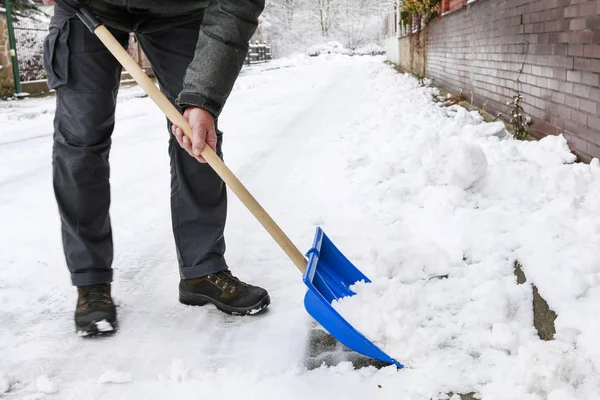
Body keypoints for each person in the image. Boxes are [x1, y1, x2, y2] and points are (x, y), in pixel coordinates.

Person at [41, 0, 270, 336]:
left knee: (197, 137)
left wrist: (202, 100)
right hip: (86, 5)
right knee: (81, 139)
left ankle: (201, 269)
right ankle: (91, 281)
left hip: (180, 11)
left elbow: (236, 7)